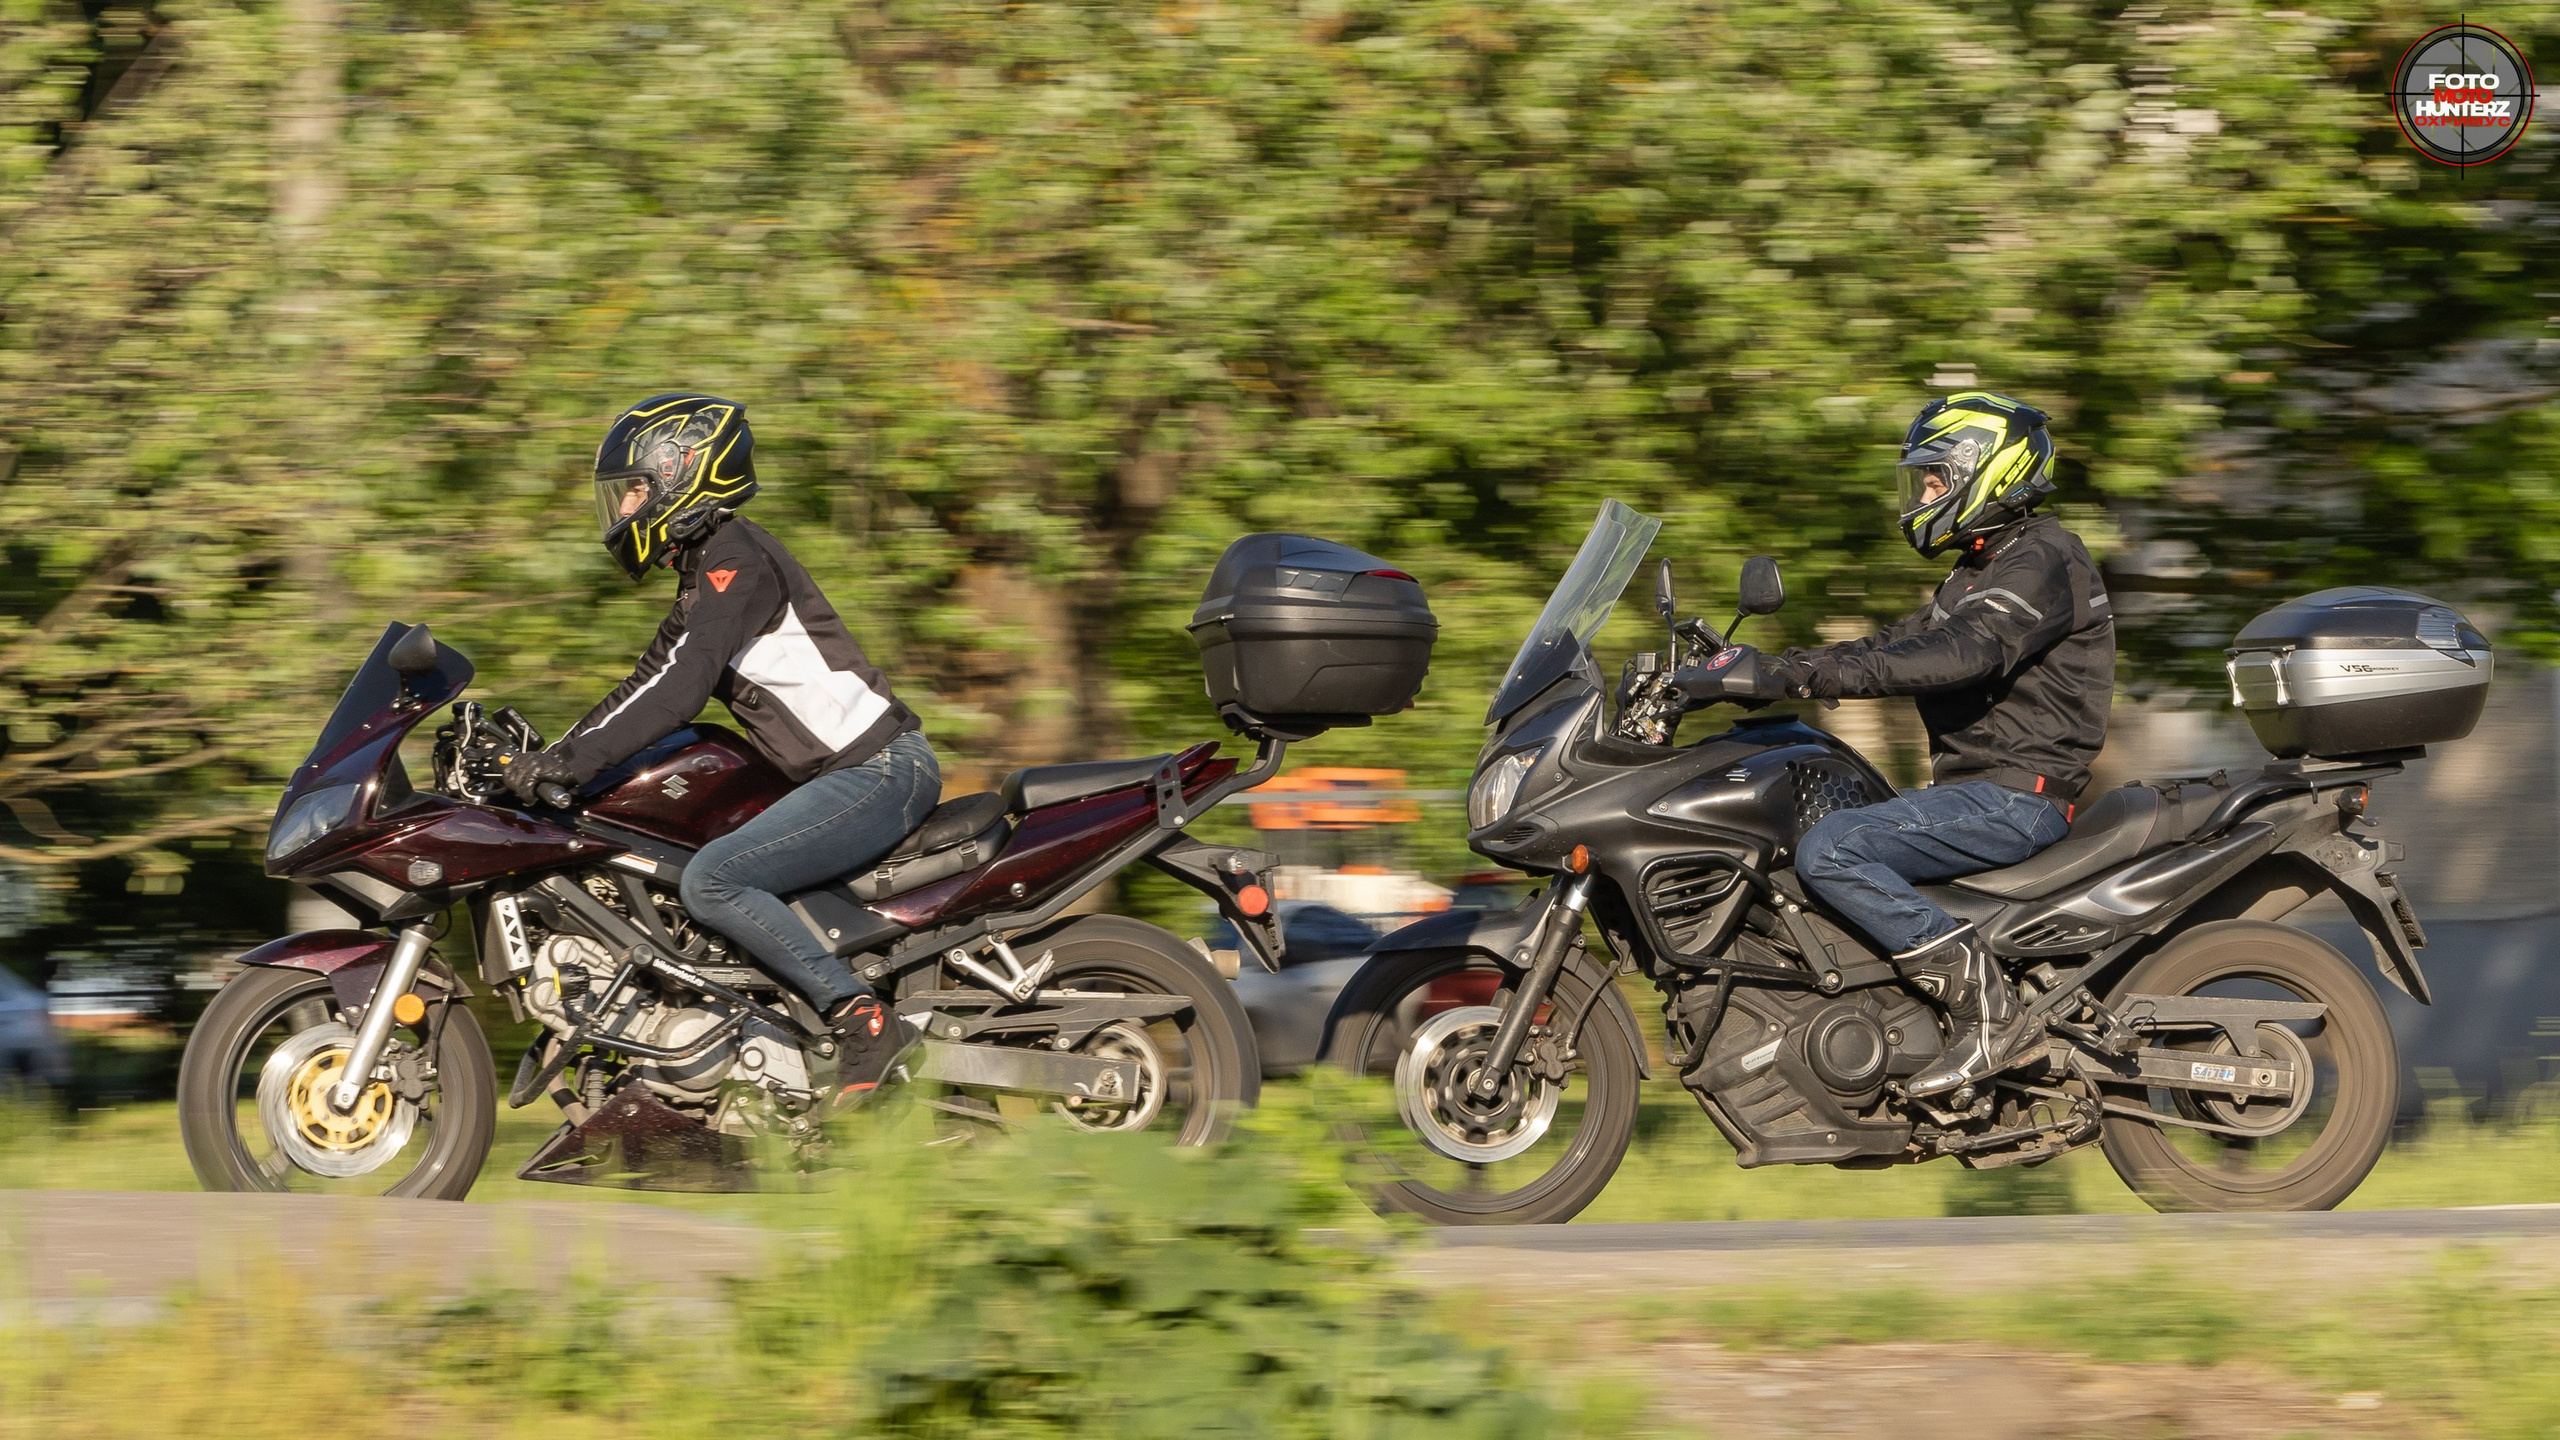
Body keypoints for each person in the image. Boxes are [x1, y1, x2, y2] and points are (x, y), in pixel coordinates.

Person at [504, 393, 937, 1105]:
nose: (621, 511)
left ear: (682, 476)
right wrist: (553, 757)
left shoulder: (737, 560)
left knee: (715, 880)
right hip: (852, 776)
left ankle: (860, 1017)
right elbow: (646, 681)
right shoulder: (708, 573)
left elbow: (682, 685)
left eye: (633, 490)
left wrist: (568, 764)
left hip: (878, 770)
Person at [1705, 392, 2114, 1100]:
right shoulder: (1976, 573)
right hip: (1977, 793)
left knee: (1834, 848)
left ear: (1984, 470)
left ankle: (1986, 1009)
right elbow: (1898, 644)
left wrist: (1796, 677)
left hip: (2016, 799)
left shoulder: (2044, 558)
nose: (1921, 495)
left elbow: (1966, 652)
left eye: (1933, 479)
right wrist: (1766, 669)